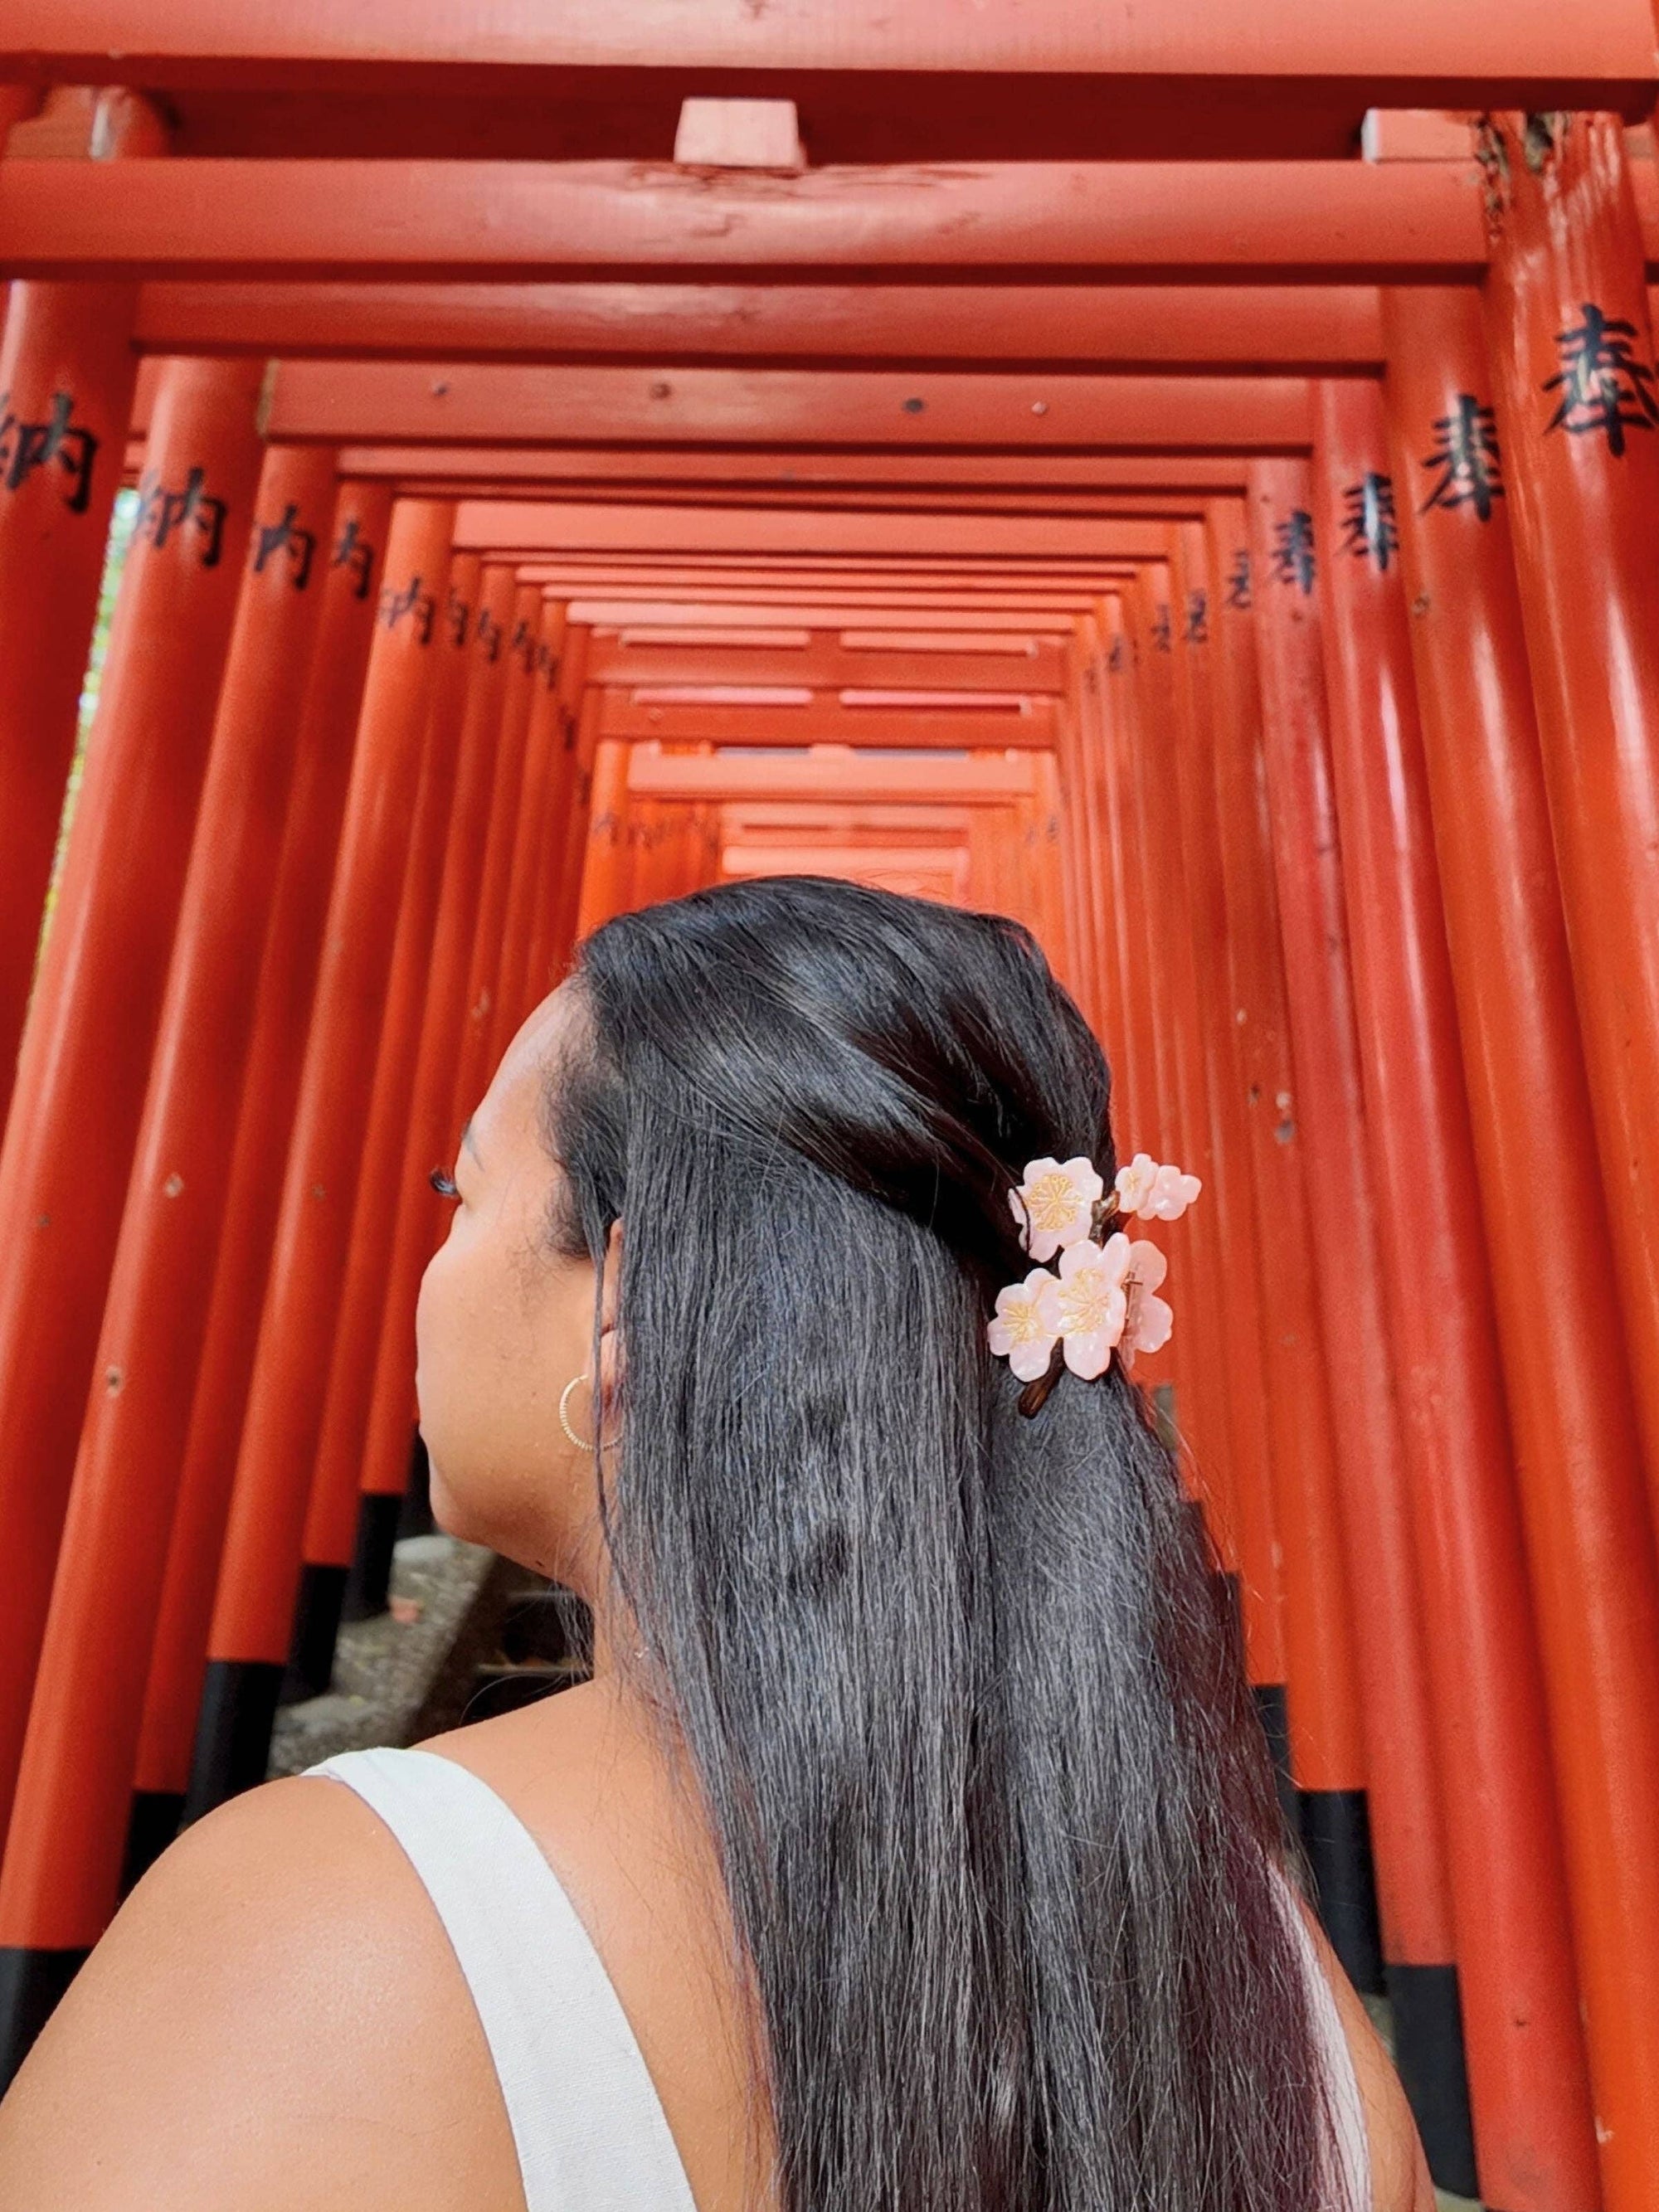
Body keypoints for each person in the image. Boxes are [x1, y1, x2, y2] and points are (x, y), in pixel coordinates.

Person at [0, 877, 1432, 2210]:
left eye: (462, 1194)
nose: (434, 1267)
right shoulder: (1279, 2000)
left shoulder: (333, 1925)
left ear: (627, 1293)